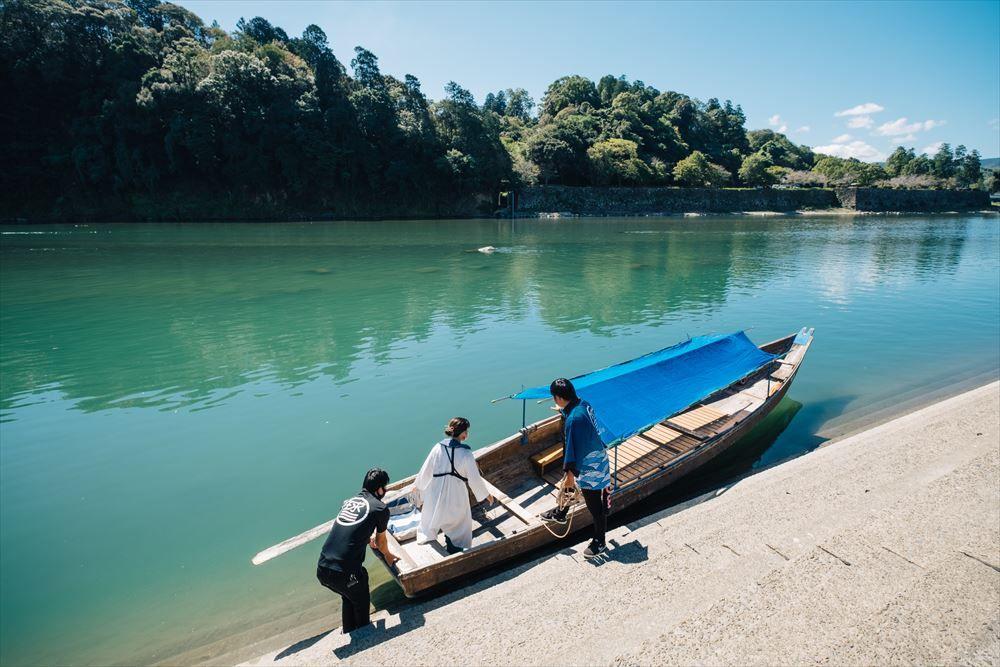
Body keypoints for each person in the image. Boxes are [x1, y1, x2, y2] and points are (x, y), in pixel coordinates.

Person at [316, 468, 398, 633]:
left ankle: (349, 631)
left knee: (351, 592)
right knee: (359, 598)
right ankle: (364, 635)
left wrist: (367, 539)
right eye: (385, 487)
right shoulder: (380, 509)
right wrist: (389, 556)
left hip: (323, 567)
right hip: (343, 572)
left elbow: (349, 532)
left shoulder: (351, 503)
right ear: (380, 489)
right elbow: (382, 544)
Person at [540, 378, 612, 558]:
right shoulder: (583, 404)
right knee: (574, 489)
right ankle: (561, 512)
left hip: (591, 465)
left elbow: (573, 448)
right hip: (597, 455)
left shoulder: (573, 419)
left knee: (595, 506)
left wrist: (570, 475)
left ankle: (600, 541)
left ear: (558, 398)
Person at [414, 417, 494, 554]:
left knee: (434, 519)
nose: (467, 434)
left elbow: (425, 471)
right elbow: (474, 480)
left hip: (435, 493)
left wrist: (418, 487)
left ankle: (441, 546)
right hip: (455, 494)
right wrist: (486, 495)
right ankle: (454, 550)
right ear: (462, 433)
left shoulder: (437, 447)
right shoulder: (466, 453)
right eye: (466, 431)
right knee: (458, 525)